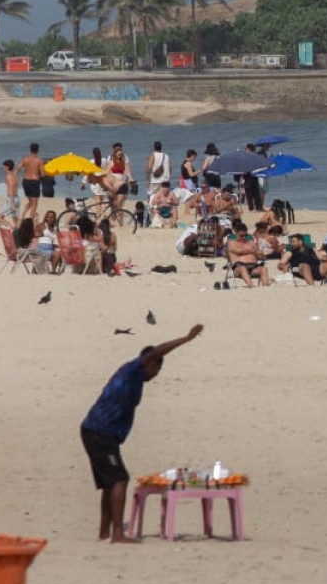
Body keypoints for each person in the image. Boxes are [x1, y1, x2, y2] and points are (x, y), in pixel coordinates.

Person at [81, 325, 205, 543]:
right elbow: (156, 352)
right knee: (120, 479)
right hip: (100, 431)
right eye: (156, 370)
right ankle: (117, 534)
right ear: (149, 363)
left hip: (97, 431)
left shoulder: (136, 379)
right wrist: (186, 338)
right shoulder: (132, 370)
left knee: (110, 483)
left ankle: (104, 533)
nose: (155, 376)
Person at [225, 222, 267, 287]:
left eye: (245, 235)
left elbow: (259, 253)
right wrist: (253, 251)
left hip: (253, 267)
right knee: (243, 268)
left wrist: (260, 255)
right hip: (239, 268)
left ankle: (266, 287)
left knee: (263, 269)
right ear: (236, 233)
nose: (244, 237)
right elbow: (239, 251)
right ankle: (251, 286)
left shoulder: (250, 242)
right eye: (241, 236)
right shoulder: (231, 243)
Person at [19, 143, 45, 220]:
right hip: (34, 182)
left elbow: (18, 169)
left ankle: (22, 215)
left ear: (30, 149)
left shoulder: (25, 159)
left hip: (25, 181)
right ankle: (31, 219)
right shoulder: (39, 160)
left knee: (30, 202)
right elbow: (42, 174)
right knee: (34, 204)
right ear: (38, 150)